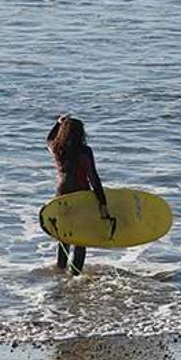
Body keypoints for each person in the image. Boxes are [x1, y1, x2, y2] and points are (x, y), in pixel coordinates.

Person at [46, 115, 110, 275]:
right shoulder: (84, 152)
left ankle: (60, 271)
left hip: (61, 196)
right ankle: (75, 274)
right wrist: (102, 202)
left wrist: (58, 124)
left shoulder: (57, 148)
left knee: (64, 236)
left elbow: (48, 139)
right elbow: (93, 178)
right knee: (80, 239)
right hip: (81, 196)